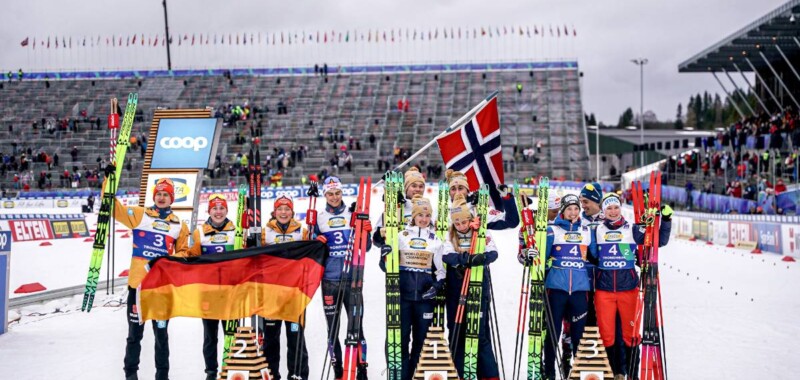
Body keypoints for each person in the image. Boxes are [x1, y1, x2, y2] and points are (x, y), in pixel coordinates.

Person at [113, 178, 191, 380]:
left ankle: (162, 376)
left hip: (160, 289)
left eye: (166, 194)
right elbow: (115, 209)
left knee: (161, 336)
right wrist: (109, 183)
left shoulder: (178, 225)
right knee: (134, 336)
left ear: (171, 198)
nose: (162, 197)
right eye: (159, 194)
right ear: (154, 196)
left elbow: (184, 252)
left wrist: (167, 260)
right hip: (137, 287)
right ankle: (131, 374)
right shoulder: (140, 215)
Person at [592, 194, 671, 380]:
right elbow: (590, 254)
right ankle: (610, 374)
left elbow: (659, 242)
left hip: (629, 289)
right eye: (609, 208)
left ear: (620, 209)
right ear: (604, 211)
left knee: (631, 335)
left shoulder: (633, 229)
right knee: (607, 335)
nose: (612, 211)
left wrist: (666, 220)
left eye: (615, 208)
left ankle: (632, 375)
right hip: (604, 290)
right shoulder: (596, 230)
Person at [379, 195, 445, 380]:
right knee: (400, 340)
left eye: (427, 215)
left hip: (424, 300)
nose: (423, 219)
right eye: (420, 215)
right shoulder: (401, 236)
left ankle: (415, 376)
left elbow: (441, 271)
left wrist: (436, 286)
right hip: (403, 297)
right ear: (413, 216)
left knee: (421, 342)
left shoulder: (435, 240)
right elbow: (386, 266)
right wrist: (383, 254)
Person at [313, 177, 372, 379]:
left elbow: (367, 247)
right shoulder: (320, 218)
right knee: (333, 329)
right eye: (330, 194)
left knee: (356, 327)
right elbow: (313, 251)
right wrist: (315, 240)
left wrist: (366, 232)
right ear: (325, 195)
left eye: (337, 193)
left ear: (342, 193)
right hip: (329, 281)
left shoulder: (352, 214)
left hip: (352, 279)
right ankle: (338, 369)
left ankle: (361, 367)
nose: (334, 197)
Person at [442, 194, 500, 380]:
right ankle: (459, 373)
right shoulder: (451, 235)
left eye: (464, 222)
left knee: (479, 335)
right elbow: (446, 255)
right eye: (457, 223)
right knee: (457, 333)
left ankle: (490, 375)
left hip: (477, 288)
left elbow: (493, 252)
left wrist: (481, 258)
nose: (461, 226)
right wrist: (465, 259)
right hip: (456, 291)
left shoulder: (480, 231)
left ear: (470, 218)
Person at [541, 194, 595, 380]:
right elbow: (543, 256)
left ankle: (578, 372)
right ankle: (549, 372)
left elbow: (595, 255)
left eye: (576, 208)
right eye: (569, 209)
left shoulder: (587, 230)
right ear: (562, 211)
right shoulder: (552, 230)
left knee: (579, 335)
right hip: (556, 289)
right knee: (553, 334)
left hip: (580, 290)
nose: (573, 212)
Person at [188, 194, 237, 380]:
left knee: (231, 333)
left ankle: (231, 367)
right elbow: (191, 257)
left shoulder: (236, 231)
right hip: (208, 293)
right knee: (210, 336)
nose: (218, 212)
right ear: (209, 211)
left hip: (230, 292)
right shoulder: (200, 232)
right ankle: (211, 371)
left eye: (221, 208)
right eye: (214, 208)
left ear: (226, 210)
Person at [260, 195, 310, 380]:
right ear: (274, 212)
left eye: (287, 209)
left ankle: (297, 375)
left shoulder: (301, 231)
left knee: (296, 338)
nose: (283, 212)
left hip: (294, 293)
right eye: (280, 209)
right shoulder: (265, 232)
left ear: (292, 212)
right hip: (271, 293)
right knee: (271, 338)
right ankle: (271, 375)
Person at [445, 169, 519, 230]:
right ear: (449, 192)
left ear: (467, 190)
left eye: (461, 188)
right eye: (453, 189)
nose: (457, 192)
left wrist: (506, 198)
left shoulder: (479, 209)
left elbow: (511, 222)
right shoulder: (443, 211)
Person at [373, 167, 429, 248]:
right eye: (413, 186)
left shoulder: (428, 209)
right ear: (406, 188)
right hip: (395, 257)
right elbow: (377, 241)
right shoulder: (395, 205)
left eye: (421, 186)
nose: (418, 189)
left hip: (419, 256)